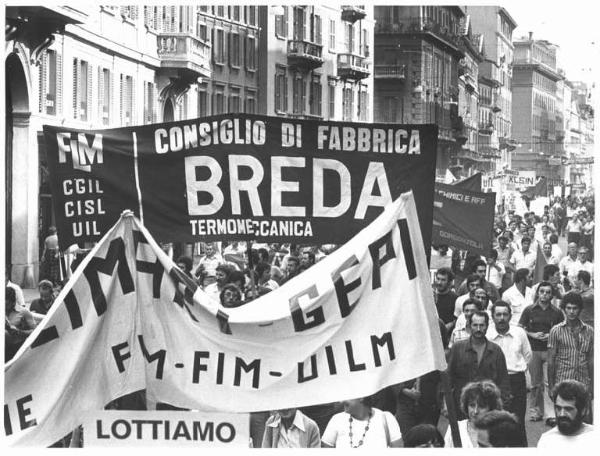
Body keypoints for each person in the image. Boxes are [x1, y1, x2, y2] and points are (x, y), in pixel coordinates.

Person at [447, 311, 511, 417]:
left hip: (488, 408)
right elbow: (449, 378)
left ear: (487, 326)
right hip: (462, 407)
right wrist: (446, 403)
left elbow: (503, 380)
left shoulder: (495, 351)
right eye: (475, 325)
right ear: (469, 326)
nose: (478, 329)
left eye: (482, 325)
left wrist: (501, 406)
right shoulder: (457, 348)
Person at [518, 281, 565, 424]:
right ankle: (535, 411)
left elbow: (562, 329)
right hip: (534, 350)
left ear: (552, 295)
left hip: (550, 351)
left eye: (548, 292)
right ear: (538, 293)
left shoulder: (557, 312)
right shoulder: (529, 310)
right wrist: (532, 334)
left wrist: (551, 334)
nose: (544, 294)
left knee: (549, 382)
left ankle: (550, 413)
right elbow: (520, 327)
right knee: (535, 383)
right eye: (542, 291)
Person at [487, 300, 532, 446]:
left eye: (505, 314)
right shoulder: (487, 334)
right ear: (492, 317)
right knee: (495, 422)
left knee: (516, 422)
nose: (501, 318)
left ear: (510, 316)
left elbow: (528, 356)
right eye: (498, 314)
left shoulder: (519, 333)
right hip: (494, 382)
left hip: (516, 381)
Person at [548, 293, 594, 403]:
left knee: (584, 417)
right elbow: (551, 361)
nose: (572, 312)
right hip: (563, 382)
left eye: (575, 308)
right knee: (565, 416)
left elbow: (591, 361)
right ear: (564, 309)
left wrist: (593, 386)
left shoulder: (590, 331)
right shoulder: (556, 331)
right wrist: (551, 387)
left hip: (583, 382)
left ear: (580, 309)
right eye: (568, 308)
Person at [321, 396, 402, 448]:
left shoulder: (386, 418)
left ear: (361, 397)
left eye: (347, 396)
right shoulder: (337, 420)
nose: (342, 401)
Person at [444, 380, 503, 448]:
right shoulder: (455, 428)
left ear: (491, 408)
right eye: (472, 405)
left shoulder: (498, 431)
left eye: (481, 406)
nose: (475, 411)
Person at [537, 380, 595, 447]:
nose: (562, 414)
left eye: (568, 409)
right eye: (558, 408)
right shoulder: (547, 440)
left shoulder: (594, 438)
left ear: (583, 410)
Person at [5, 287, 37, 360]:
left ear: (13, 302)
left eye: (7, 305)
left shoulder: (24, 312)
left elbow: (36, 332)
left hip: (17, 347)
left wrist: (19, 332)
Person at [433, 267, 458, 332]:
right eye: (438, 279)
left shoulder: (455, 298)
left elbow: (457, 318)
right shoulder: (430, 295)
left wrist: (450, 325)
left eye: (443, 280)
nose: (439, 282)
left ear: (449, 282)